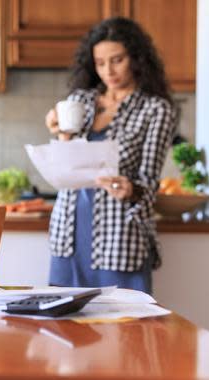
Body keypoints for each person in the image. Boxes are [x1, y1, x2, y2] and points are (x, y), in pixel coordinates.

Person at [44, 17, 177, 294]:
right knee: (65, 330)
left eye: (117, 60)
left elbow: (149, 185)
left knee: (125, 330)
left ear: (136, 59)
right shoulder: (79, 102)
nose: (108, 71)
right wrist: (62, 135)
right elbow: (64, 166)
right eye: (100, 62)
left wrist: (132, 190)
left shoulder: (155, 109)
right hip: (69, 233)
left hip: (119, 238)